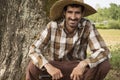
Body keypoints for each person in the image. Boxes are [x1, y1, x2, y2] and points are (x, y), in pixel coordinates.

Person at [26, 0, 111, 80]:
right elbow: (33, 50)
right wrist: (49, 67)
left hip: (78, 68)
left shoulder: (87, 26)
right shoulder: (53, 26)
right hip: (56, 68)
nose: (73, 17)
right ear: (64, 13)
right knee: (32, 66)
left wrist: (83, 64)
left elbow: (103, 51)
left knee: (104, 65)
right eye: (70, 12)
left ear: (82, 14)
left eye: (77, 13)